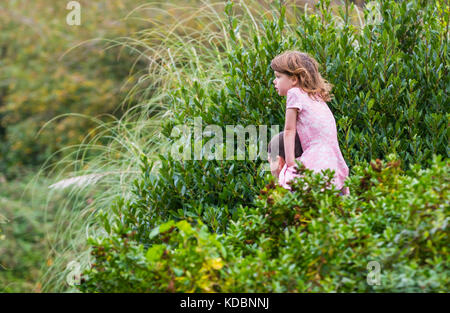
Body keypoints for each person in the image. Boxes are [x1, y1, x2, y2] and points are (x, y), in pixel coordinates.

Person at [270, 50, 350, 196]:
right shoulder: (315, 96)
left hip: (316, 155)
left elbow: (289, 130)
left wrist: (290, 163)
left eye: (278, 77)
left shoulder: (294, 93)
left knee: (289, 183)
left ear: (294, 79)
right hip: (332, 157)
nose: (274, 82)